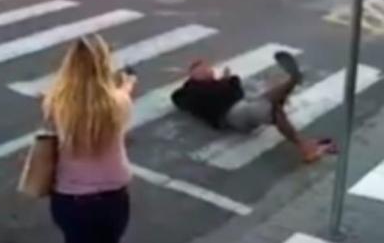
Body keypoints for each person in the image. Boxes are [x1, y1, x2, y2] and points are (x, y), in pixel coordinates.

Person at [43, 35, 136, 243]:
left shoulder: (57, 102)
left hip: (70, 198)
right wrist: (127, 84)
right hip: (112, 198)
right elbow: (119, 104)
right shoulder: (118, 104)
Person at [171, 51, 334, 163]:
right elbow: (178, 98)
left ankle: (292, 80)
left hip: (241, 107)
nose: (208, 71)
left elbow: (236, 90)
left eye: (208, 68)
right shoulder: (195, 90)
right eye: (202, 70)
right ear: (193, 75)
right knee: (273, 109)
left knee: (270, 99)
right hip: (231, 115)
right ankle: (305, 148)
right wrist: (227, 80)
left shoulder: (213, 85)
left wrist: (225, 81)